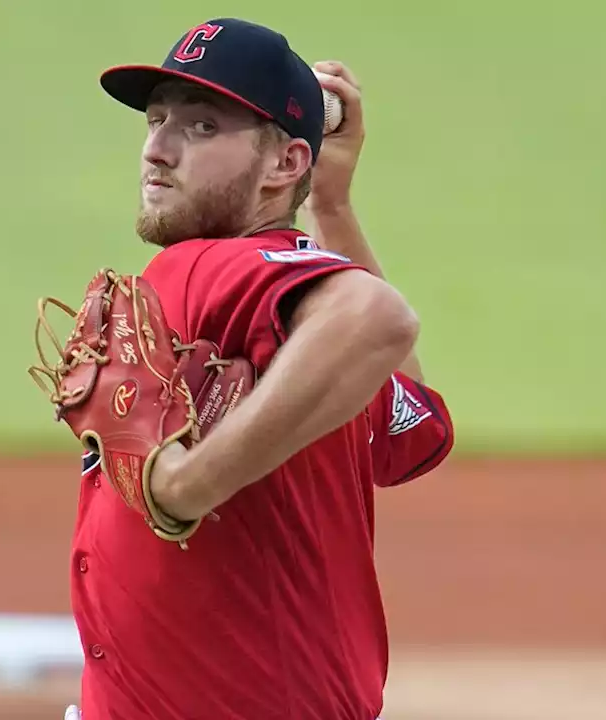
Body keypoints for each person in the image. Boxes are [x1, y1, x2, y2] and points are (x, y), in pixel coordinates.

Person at [65, 17, 454, 720]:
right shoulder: (291, 324)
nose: (158, 149)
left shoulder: (211, 266)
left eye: (203, 127)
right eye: (156, 121)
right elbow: (408, 430)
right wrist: (333, 204)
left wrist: (187, 485)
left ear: (284, 164)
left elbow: (380, 319)